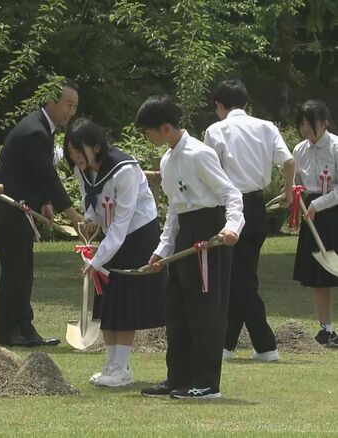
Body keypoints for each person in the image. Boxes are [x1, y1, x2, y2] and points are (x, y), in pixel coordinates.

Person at [136, 96, 244, 400]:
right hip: (184, 236)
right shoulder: (168, 160)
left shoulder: (200, 154)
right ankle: (178, 377)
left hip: (209, 234)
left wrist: (232, 227)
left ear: (166, 127)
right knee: (178, 310)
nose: (148, 138)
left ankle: (206, 382)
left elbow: (231, 194)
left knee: (204, 311)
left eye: (149, 132)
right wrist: (162, 249)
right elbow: (174, 210)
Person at [63, 118, 166, 387]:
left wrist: (96, 261)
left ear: (96, 147)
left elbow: (121, 224)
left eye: (78, 151)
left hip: (138, 233)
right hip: (113, 236)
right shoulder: (82, 169)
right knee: (106, 299)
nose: (75, 158)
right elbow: (92, 202)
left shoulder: (125, 170)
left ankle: (122, 367)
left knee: (124, 299)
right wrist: (89, 219)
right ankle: (112, 365)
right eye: (71, 153)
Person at [203, 79, 295, 362]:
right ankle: (227, 345)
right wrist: (288, 191)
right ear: (245, 103)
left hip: (231, 207)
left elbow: (210, 172)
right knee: (241, 276)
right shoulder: (266, 127)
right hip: (256, 208)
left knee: (240, 280)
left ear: (220, 105)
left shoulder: (215, 130)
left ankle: (266, 345)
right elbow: (289, 162)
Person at [0, 79, 84, 347]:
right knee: (15, 271)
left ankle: (23, 327)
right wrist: (72, 213)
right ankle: (9, 331)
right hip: (7, 210)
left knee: (23, 270)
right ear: (50, 101)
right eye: (68, 104)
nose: (71, 111)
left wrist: (45, 202)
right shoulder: (36, 131)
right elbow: (46, 175)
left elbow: (35, 172)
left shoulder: (44, 128)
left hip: (19, 210)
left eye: (75, 106)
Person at [291, 100, 338, 347]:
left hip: (333, 212)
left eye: (311, 124)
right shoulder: (299, 150)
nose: (306, 130)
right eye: (302, 125)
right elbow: (296, 181)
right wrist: (291, 196)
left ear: (325, 122)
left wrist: (318, 204)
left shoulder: (337, 147)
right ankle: (326, 329)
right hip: (312, 218)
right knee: (321, 276)